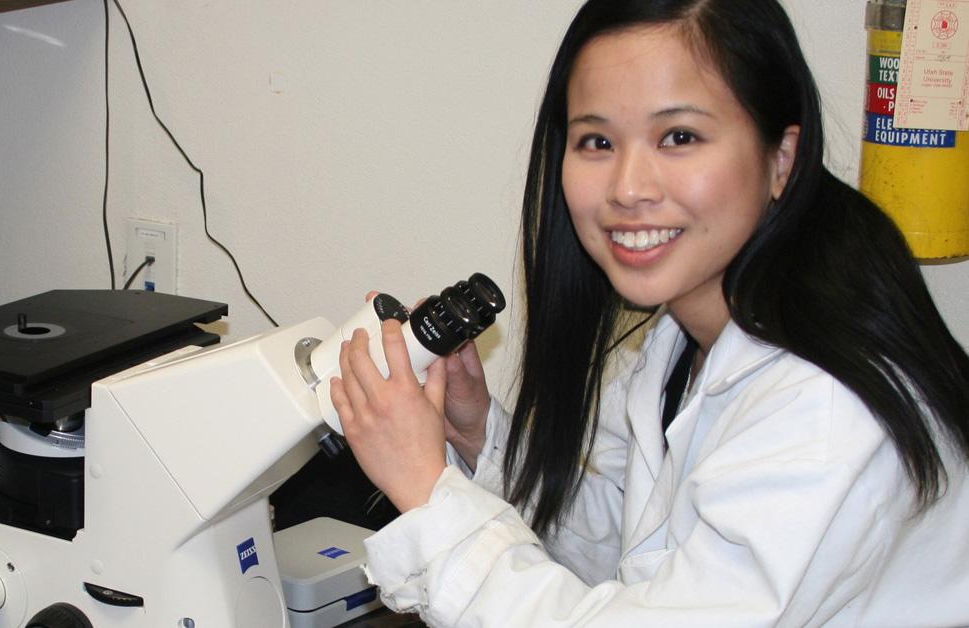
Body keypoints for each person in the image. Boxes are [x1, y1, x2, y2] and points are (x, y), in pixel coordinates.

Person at [328, 0, 969, 625]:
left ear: (782, 158)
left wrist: (425, 488)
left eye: (679, 136)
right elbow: (631, 550)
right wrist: (472, 433)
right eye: (597, 141)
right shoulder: (682, 340)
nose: (628, 188)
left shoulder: (823, 411)